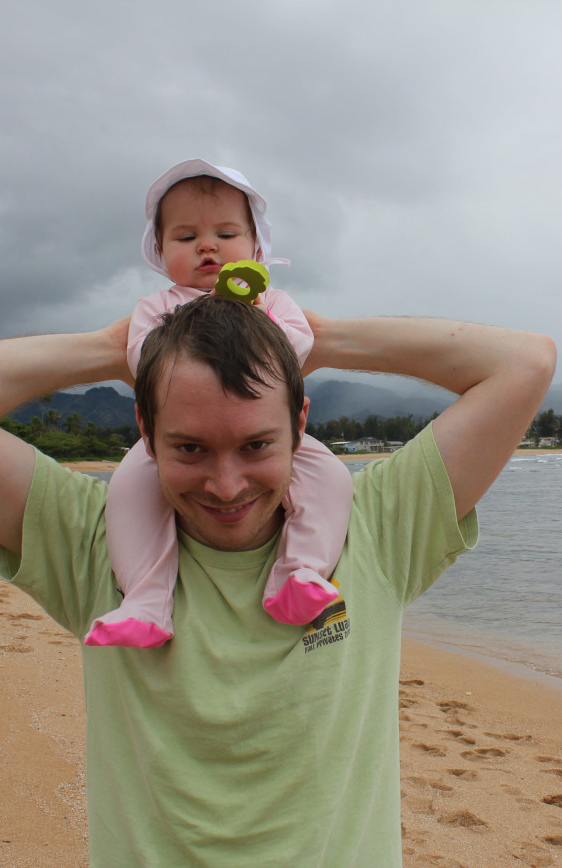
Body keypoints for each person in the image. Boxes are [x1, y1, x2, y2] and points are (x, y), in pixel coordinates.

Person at [0, 219, 554, 867]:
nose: (227, 485)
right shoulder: (94, 543)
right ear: (146, 430)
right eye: (190, 448)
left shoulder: (371, 528)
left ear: (300, 421)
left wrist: (316, 336)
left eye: (257, 444)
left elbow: (524, 362)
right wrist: (123, 347)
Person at [85, 159, 352, 649]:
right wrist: (194, 327)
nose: (206, 246)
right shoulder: (158, 307)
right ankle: (145, 600)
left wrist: (251, 322)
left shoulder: (272, 302)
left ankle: (302, 571)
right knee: (128, 491)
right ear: (161, 252)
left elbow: (299, 343)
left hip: (260, 418)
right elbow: (144, 355)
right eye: (186, 238)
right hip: (184, 427)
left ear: (255, 246)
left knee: (331, 478)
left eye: (225, 233)